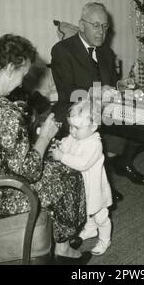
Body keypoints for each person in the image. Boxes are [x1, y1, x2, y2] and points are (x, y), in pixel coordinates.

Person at [0, 34, 91, 264]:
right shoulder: (4, 112)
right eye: (21, 74)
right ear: (9, 68)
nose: (20, 83)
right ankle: (64, 248)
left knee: (57, 169)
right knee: (67, 174)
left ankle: (61, 239)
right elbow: (30, 171)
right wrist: (45, 136)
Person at [50, 2, 144, 195]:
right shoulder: (62, 50)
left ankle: (123, 162)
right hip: (73, 107)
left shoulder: (106, 51)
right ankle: (101, 183)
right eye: (96, 25)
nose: (101, 31)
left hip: (103, 106)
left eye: (104, 26)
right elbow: (65, 91)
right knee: (98, 122)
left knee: (140, 116)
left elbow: (110, 83)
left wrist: (121, 87)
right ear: (81, 25)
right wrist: (95, 92)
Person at [50, 100, 113, 255]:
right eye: (71, 126)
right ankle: (91, 230)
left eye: (77, 127)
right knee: (86, 211)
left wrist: (62, 156)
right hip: (80, 186)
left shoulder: (94, 144)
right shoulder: (75, 136)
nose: (72, 131)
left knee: (100, 216)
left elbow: (82, 163)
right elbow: (66, 143)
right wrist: (58, 145)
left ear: (93, 127)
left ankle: (105, 240)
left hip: (94, 188)